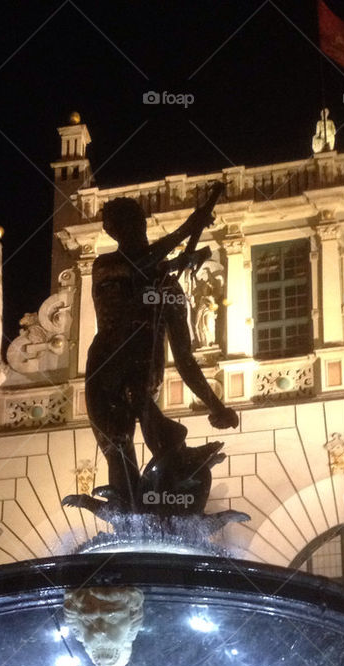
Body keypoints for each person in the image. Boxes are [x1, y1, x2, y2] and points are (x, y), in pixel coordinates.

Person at [85, 184, 238, 510]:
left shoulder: (168, 289)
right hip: (104, 368)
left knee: (146, 421)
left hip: (140, 369)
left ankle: (167, 503)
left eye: (133, 225)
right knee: (116, 450)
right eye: (121, 229)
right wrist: (187, 229)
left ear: (140, 225)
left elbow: (185, 360)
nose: (131, 234)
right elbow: (138, 264)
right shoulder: (105, 265)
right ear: (114, 233)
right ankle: (129, 525)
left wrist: (216, 404)